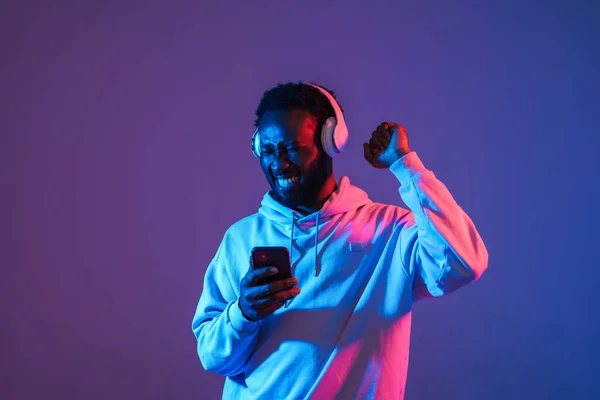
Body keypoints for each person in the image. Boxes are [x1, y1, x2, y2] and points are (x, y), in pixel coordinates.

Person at [191, 81, 488, 399]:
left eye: (292, 148)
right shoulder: (240, 239)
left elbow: (463, 263)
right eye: (267, 150)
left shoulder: (389, 231)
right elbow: (213, 357)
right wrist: (244, 313)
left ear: (331, 141)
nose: (278, 163)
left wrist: (405, 164)